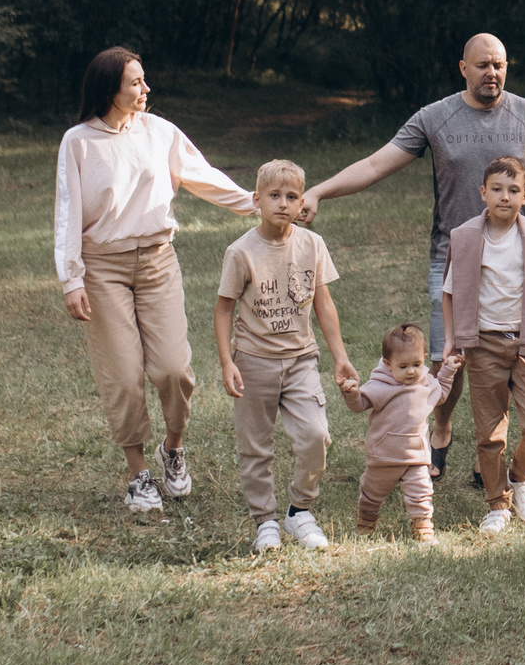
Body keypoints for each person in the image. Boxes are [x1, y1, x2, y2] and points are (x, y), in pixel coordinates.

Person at [300, 32, 525, 475]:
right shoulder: (436, 117)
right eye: (483, 65)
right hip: (452, 257)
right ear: (463, 68)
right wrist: (317, 191)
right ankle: (443, 428)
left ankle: (494, 456)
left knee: (514, 353)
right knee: (448, 356)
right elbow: (375, 164)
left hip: (518, 258)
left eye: (500, 65)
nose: (492, 73)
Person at [56, 46, 257, 516]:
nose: (146, 89)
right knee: (124, 377)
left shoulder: (161, 132)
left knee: (174, 370)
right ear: (111, 89)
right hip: (102, 266)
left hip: (157, 262)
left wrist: (257, 202)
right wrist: (72, 278)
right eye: (135, 83)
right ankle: (138, 475)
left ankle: (173, 448)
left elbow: (203, 177)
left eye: (144, 80)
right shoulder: (78, 141)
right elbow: (67, 210)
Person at [213, 159, 354, 554]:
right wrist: (227, 361)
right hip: (253, 360)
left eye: (292, 196)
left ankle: (298, 509)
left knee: (316, 435)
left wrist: (339, 356)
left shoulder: (312, 244)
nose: (283, 203)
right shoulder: (241, 252)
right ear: (256, 200)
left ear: (302, 201)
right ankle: (266, 520)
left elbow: (324, 305)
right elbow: (223, 309)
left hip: (300, 361)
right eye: (274, 196)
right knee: (255, 445)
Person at [439, 156, 525, 533]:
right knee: (489, 433)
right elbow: (449, 294)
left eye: (513, 191)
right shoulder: (465, 238)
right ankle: (497, 505)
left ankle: (519, 478)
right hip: (483, 346)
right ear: (483, 193)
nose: (505, 197)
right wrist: (451, 341)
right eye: (497, 189)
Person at [338, 325, 459, 544]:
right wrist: (352, 393)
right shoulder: (380, 385)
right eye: (403, 366)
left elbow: (440, 395)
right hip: (384, 455)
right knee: (372, 494)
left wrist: (448, 371)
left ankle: (423, 527)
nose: (411, 371)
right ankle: (366, 520)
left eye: (417, 364)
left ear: (423, 359)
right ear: (388, 364)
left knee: (421, 492)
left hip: (416, 455)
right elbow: (360, 405)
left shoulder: (425, 383)